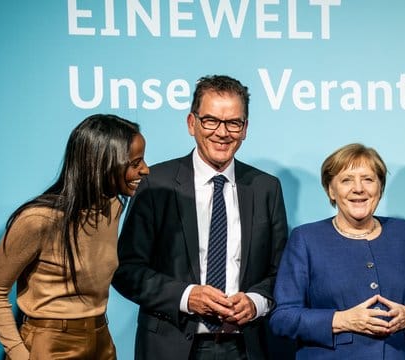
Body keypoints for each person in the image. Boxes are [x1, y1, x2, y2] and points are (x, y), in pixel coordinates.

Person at [112, 75, 289, 360]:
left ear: (245, 129)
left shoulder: (266, 188)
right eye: (211, 121)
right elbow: (127, 270)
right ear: (192, 123)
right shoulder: (156, 182)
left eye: (234, 123)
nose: (223, 132)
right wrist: (186, 296)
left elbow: (280, 271)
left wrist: (256, 302)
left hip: (246, 347)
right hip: (170, 346)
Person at [270, 143, 405, 359]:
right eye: (346, 180)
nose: (359, 188)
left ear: (380, 188)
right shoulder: (306, 239)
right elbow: (282, 318)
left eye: (368, 179)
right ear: (330, 190)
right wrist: (342, 320)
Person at [0, 114, 149, 360]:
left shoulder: (113, 207)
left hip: (102, 341)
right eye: (135, 163)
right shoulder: (38, 219)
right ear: (102, 164)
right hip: (50, 346)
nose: (145, 169)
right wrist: (18, 353)